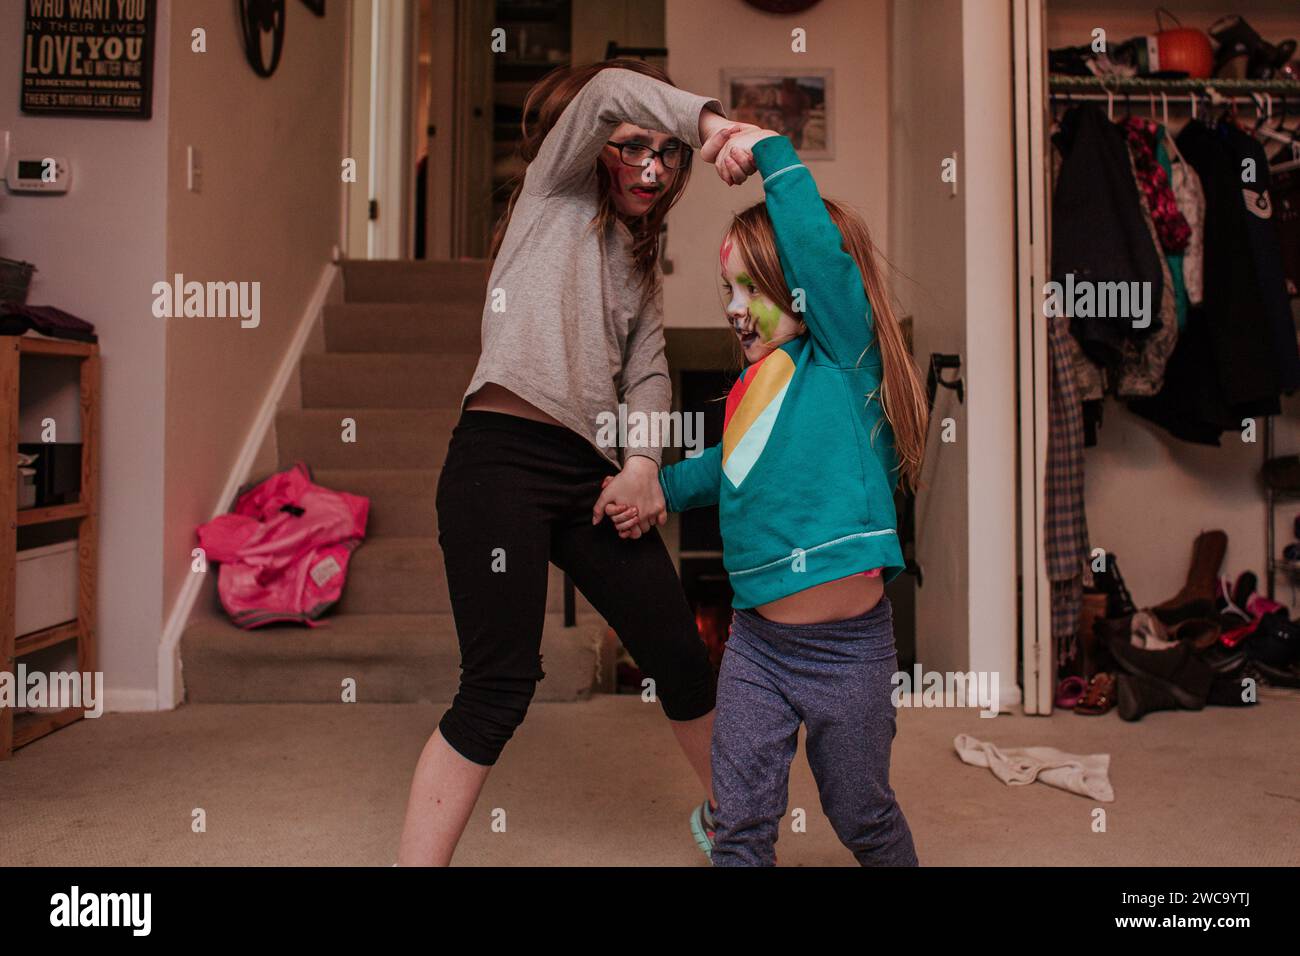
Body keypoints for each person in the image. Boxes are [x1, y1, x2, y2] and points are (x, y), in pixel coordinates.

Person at [396, 58, 759, 866]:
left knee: (677, 656)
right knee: (498, 685)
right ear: (598, 149)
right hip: (500, 461)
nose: (653, 168)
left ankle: (736, 830)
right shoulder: (552, 193)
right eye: (635, 147)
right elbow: (601, 95)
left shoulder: (637, 259)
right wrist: (706, 125)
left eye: (668, 156)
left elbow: (649, 370)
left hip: (592, 477)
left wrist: (640, 467)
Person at [601, 127, 927, 866]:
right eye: (729, 291)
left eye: (756, 289)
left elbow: (815, 250)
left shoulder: (843, 359)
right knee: (741, 818)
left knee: (862, 813)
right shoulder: (753, 386)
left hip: (850, 652)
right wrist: (657, 487)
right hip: (757, 647)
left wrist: (774, 155)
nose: (736, 309)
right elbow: (730, 466)